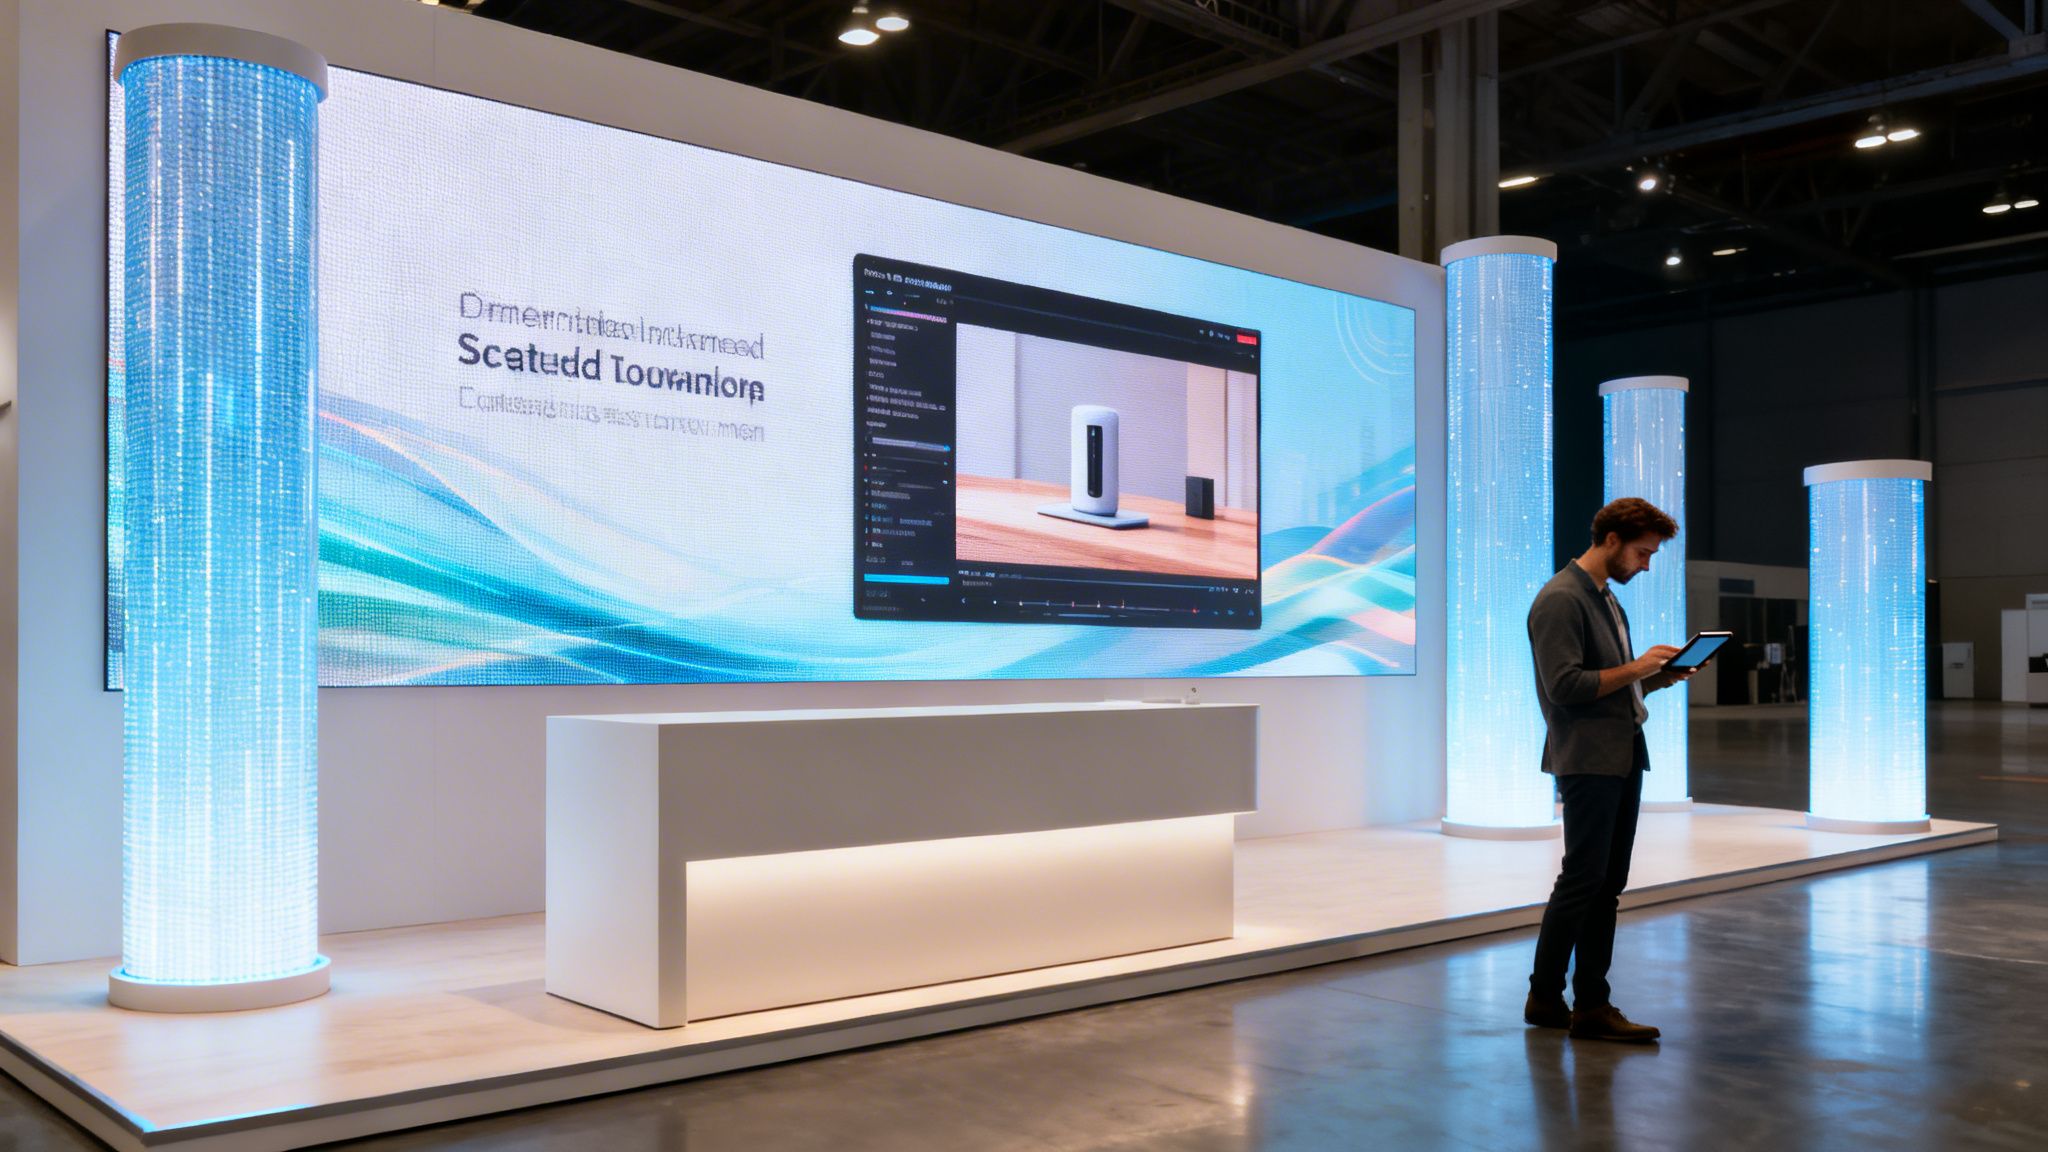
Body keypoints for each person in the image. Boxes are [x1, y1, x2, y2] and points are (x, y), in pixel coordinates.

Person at [1523, 497, 1694, 1043]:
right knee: (1584, 880)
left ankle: (1575, 1001)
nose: (1646, 564)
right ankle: (1564, 999)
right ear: (1612, 539)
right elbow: (1565, 686)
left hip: (1620, 751)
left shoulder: (1606, 599)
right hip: (1588, 758)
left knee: (1605, 883)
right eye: (1643, 553)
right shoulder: (1560, 599)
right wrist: (1637, 667)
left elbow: (1611, 684)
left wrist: (1657, 676)